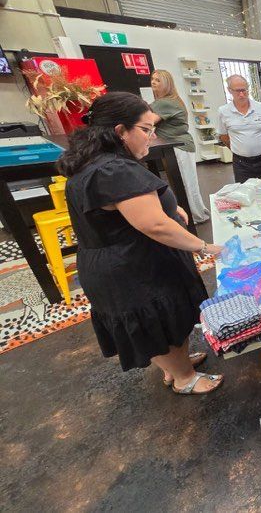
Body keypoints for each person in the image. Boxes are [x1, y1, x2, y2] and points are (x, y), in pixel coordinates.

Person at [59, 92, 225, 394]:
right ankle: (185, 378)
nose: (152, 136)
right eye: (146, 129)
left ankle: (176, 368)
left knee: (160, 322)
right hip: (133, 267)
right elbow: (154, 225)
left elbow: (124, 209)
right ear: (120, 131)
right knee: (158, 320)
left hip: (116, 262)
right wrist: (205, 247)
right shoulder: (114, 171)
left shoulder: (94, 163)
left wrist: (169, 206)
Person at [150, 69, 211, 224]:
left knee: (186, 184)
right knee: (189, 183)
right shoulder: (171, 100)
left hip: (179, 146)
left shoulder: (165, 102)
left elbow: (147, 121)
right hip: (181, 145)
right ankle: (196, 213)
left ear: (166, 83)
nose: (153, 82)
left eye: (158, 80)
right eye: (152, 79)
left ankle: (195, 216)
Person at [217, 75, 261, 184]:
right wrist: (239, 149)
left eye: (244, 90)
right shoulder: (223, 111)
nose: (241, 94)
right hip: (241, 164)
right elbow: (223, 136)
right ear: (229, 90)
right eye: (237, 91)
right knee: (245, 195)